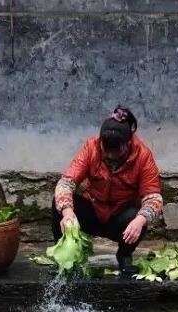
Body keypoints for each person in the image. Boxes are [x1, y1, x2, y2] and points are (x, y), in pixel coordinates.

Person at [51, 106, 163, 276]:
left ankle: (124, 256)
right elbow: (65, 183)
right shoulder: (91, 147)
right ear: (101, 142)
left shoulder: (143, 156)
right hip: (93, 211)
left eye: (116, 150)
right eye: (106, 150)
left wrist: (140, 220)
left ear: (128, 142)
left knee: (139, 218)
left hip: (120, 219)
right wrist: (67, 213)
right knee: (58, 203)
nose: (110, 155)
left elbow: (153, 197)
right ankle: (65, 258)